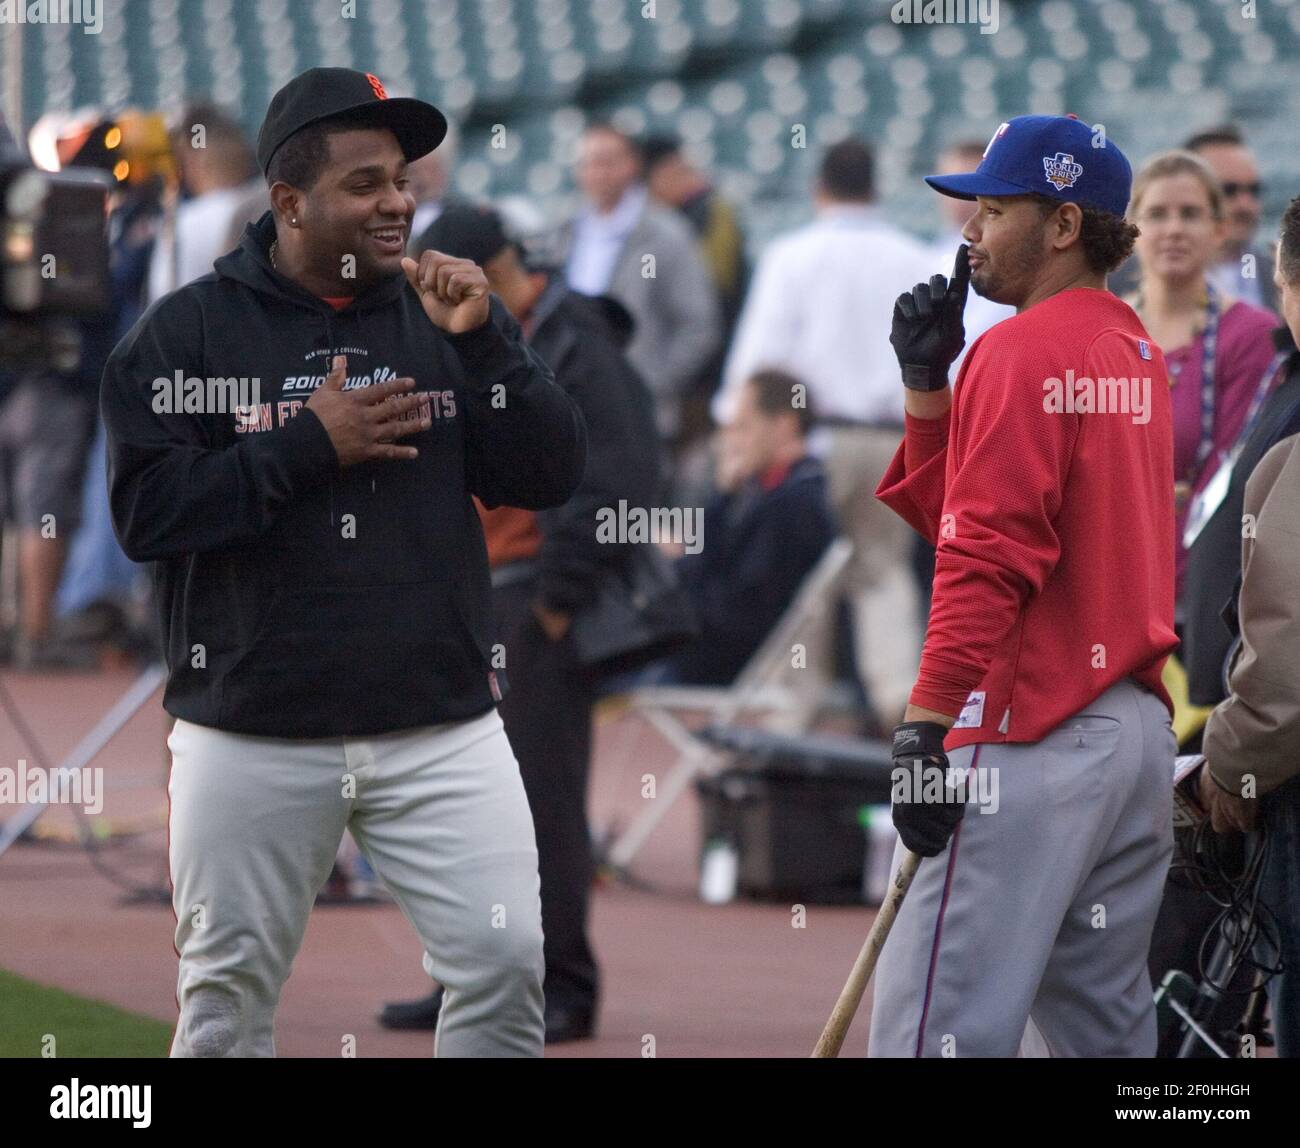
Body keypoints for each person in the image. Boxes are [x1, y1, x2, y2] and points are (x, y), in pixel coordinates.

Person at [101, 67, 586, 1058]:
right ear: (290, 202)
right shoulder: (186, 333)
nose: (398, 201)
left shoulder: (441, 312)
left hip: (438, 723)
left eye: (401, 179)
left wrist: (490, 343)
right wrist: (305, 444)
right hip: (252, 727)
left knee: (502, 969)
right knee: (227, 1003)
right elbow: (146, 515)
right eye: (366, 183)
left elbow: (549, 473)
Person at [870, 114, 1178, 1057]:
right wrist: (930, 389)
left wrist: (925, 723)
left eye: (994, 209)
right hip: (1129, 745)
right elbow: (984, 517)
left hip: (1027, 729)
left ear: (1062, 226)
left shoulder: (1018, 352)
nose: (969, 231)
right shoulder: (1134, 351)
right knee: (1104, 1044)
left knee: (936, 1035)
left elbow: (986, 559)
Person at [378, 203, 663, 1043]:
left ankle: (566, 985)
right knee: (455, 803)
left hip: (533, 594)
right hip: (471, 588)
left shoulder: (571, 332)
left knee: (541, 801)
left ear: (493, 268)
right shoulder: (475, 327)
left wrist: (556, 597)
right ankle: (470, 976)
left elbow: (621, 474)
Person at [714, 137, 935, 731]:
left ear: (819, 188)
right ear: (874, 187)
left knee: (811, 582)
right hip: (894, 436)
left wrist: (736, 439)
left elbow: (758, 362)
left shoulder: (792, 254)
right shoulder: (911, 255)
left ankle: (796, 709)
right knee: (881, 573)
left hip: (812, 439)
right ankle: (897, 697)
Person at [1124, 150, 1278, 609]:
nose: (1173, 229)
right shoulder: (1100, 330)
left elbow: (1229, 477)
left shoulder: (1250, 334)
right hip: (1106, 577)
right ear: (1131, 230)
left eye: (1190, 214)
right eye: (1157, 214)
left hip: (1202, 587)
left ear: (1219, 229)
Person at [664, 368, 837, 686]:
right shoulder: (773, 492)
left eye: (742, 427)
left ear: (784, 426)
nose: (729, 442)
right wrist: (725, 497)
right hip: (708, 656)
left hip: (717, 668)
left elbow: (737, 614)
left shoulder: (793, 505)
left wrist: (679, 566)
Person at [554, 122, 721, 442]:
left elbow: (699, 324)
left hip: (640, 416)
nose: (597, 172)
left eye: (607, 161)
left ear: (631, 166)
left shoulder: (667, 234)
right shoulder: (563, 233)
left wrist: (653, 383)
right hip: (573, 408)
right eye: (589, 163)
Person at [1185, 125, 1276, 311]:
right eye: (1228, 190)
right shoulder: (1124, 282)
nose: (1245, 204)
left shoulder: (1283, 279)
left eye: (1253, 190)